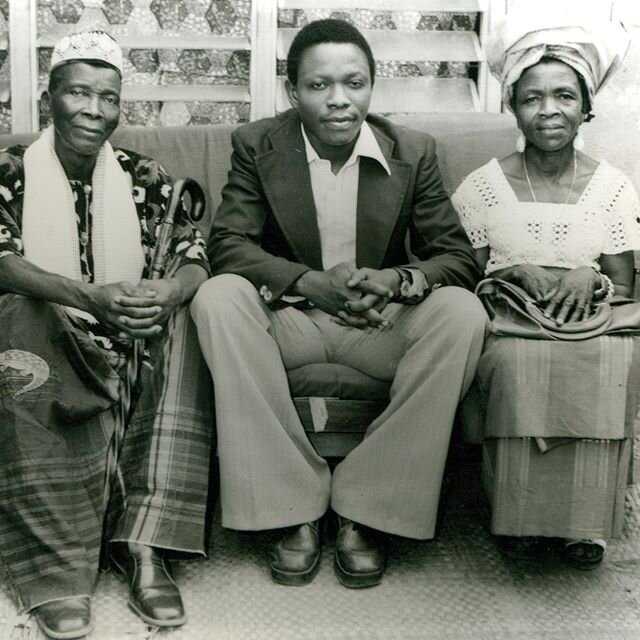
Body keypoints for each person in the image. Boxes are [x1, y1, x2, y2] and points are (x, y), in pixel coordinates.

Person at [191, 18, 486, 589]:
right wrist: (307, 281)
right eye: (319, 86)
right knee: (217, 296)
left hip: (378, 324)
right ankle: (291, 509)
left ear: (373, 87)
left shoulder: (413, 152)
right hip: (291, 320)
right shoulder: (258, 145)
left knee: (462, 312)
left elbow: (456, 258)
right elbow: (227, 245)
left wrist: (399, 280)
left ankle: (369, 510)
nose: (338, 101)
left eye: (354, 83)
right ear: (293, 92)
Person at [0, 31, 213, 638]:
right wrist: (87, 298)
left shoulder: (145, 176)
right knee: (20, 313)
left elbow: (193, 255)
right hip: (50, 339)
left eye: (109, 98)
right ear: (49, 100)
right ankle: (55, 568)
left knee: (198, 317)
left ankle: (144, 543)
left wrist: (167, 293)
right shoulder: (8, 171)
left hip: (134, 338)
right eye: (78, 93)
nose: (94, 110)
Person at [452, 15, 640, 568]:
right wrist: (511, 274)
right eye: (532, 97)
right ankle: (520, 518)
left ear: (587, 107)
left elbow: (626, 284)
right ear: (513, 106)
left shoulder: (612, 188)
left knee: (609, 357)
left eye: (564, 95)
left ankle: (586, 524)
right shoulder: (483, 186)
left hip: (592, 319)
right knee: (514, 360)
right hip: (509, 321)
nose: (549, 109)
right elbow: (462, 277)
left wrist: (593, 277)